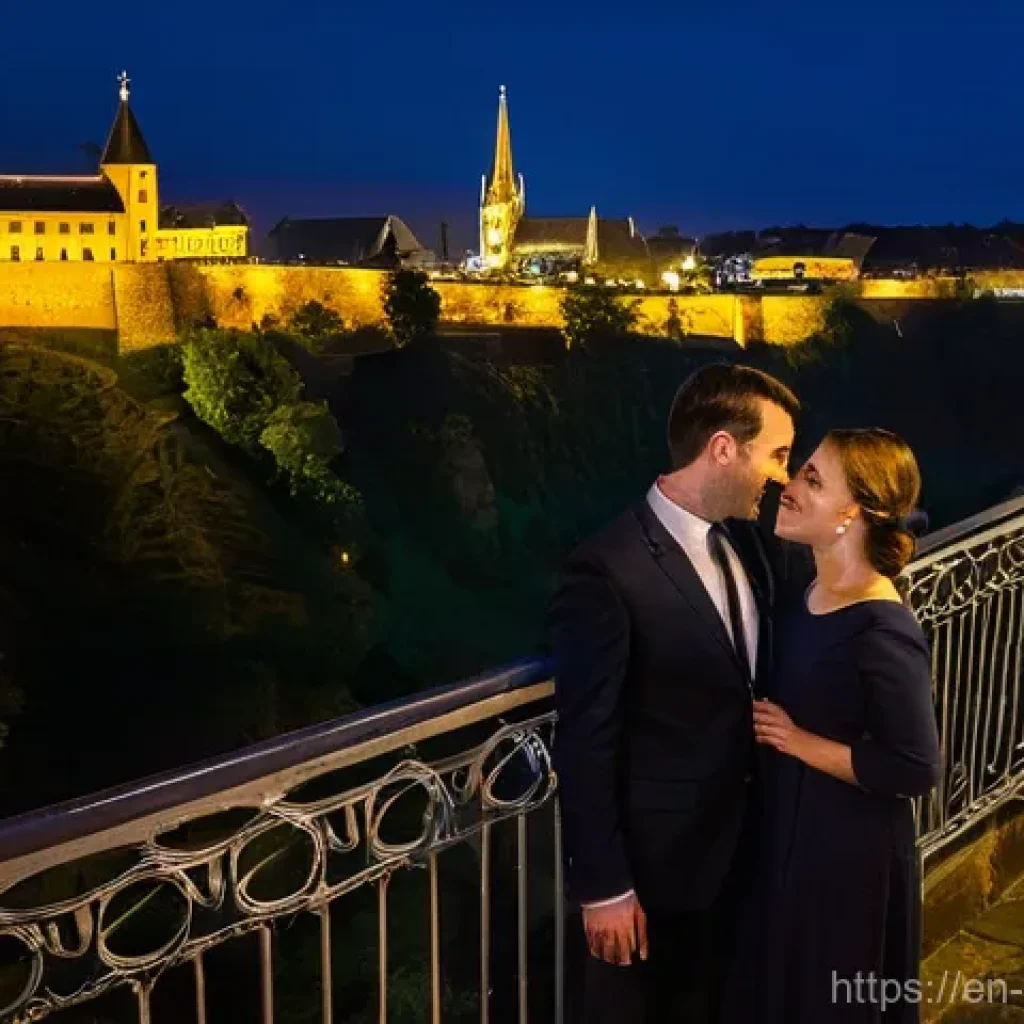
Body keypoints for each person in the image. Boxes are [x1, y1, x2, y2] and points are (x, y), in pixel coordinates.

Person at [549, 363, 802, 1023]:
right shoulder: (607, 568)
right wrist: (602, 887)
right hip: (662, 878)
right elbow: (585, 736)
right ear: (722, 448)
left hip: (747, 856)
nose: (781, 475)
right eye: (776, 455)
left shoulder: (748, 541)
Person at [725, 428, 941, 1024]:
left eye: (811, 480)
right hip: (795, 843)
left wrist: (796, 741)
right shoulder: (808, 590)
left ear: (852, 513)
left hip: (848, 863)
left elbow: (917, 766)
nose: (787, 486)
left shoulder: (882, 628)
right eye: (799, 471)